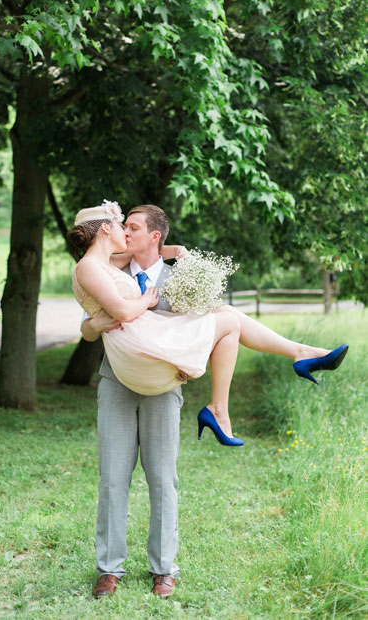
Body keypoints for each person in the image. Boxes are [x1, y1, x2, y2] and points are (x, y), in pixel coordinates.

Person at [69, 201, 348, 598]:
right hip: (117, 380)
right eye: (121, 226)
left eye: (133, 227)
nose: (125, 232)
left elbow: (200, 327)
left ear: (154, 236)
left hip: (164, 384)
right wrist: (90, 327)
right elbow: (89, 316)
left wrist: (177, 258)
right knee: (113, 479)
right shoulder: (107, 265)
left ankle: (163, 569)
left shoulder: (180, 276)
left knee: (164, 478)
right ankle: (109, 569)